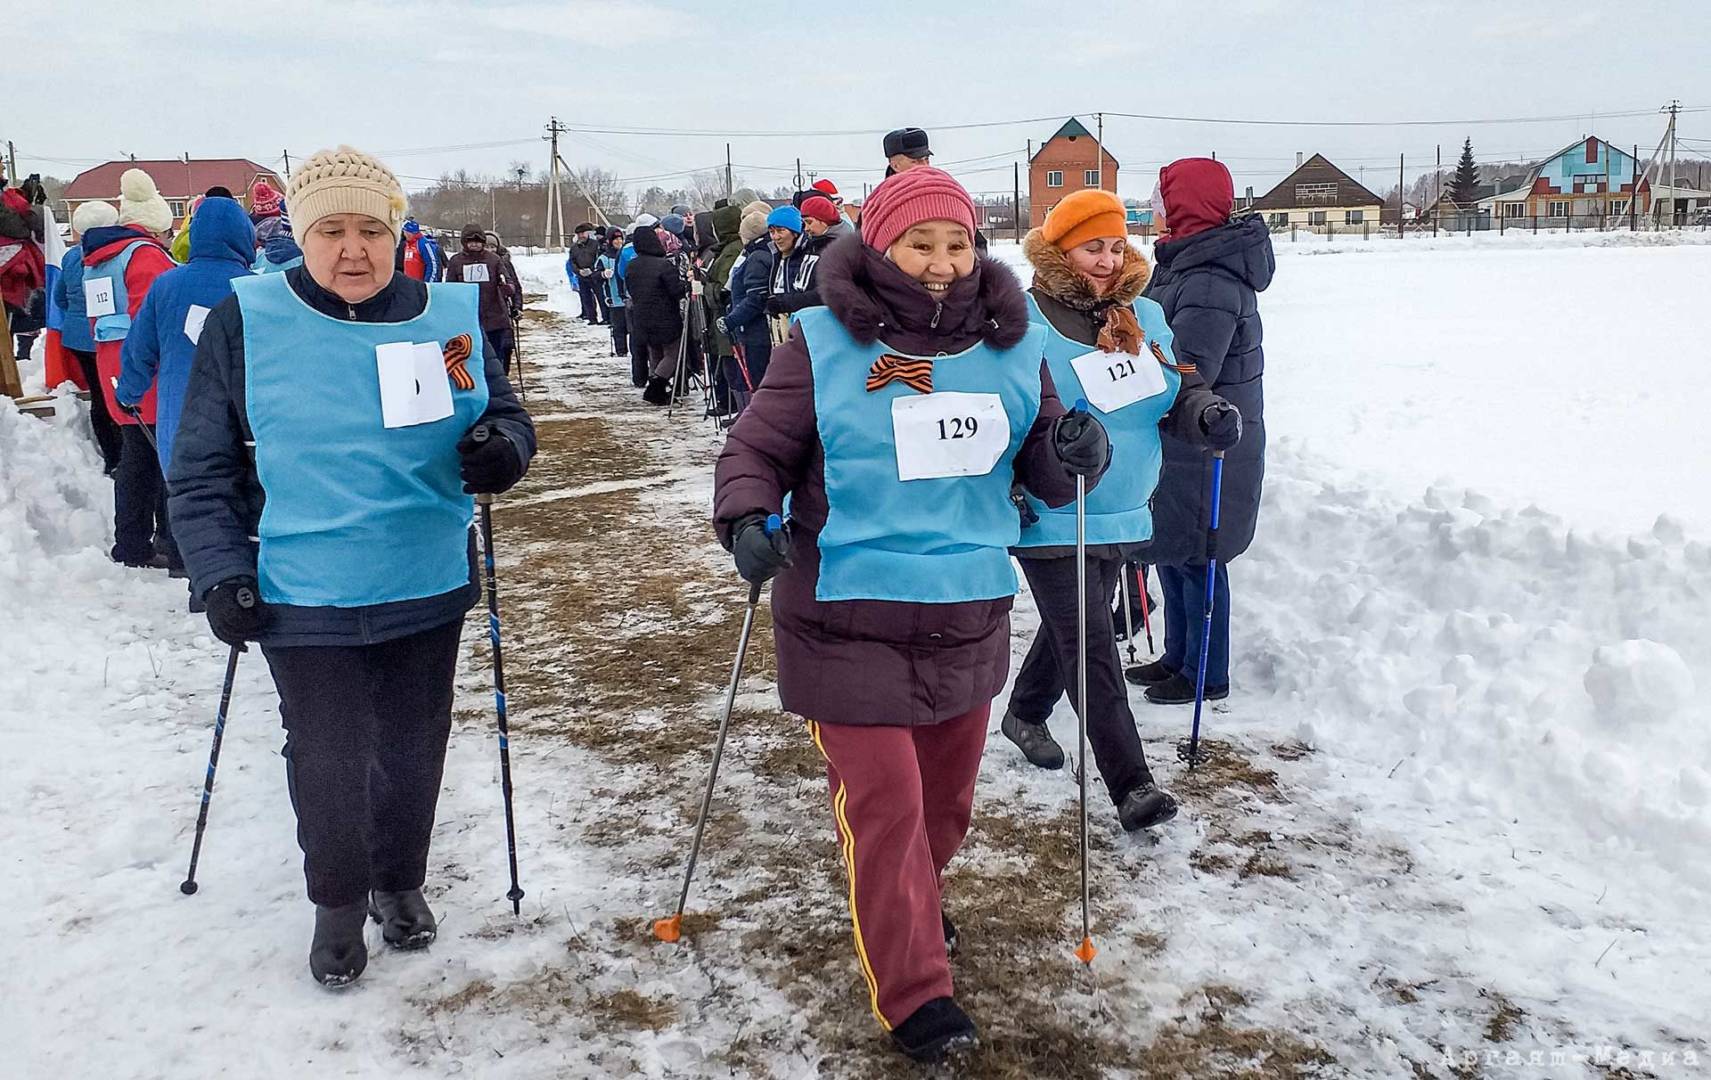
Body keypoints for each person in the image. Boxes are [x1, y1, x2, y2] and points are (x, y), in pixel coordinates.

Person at [712, 167, 1108, 1064]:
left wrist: (1076, 447)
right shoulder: (818, 340)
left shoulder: (1016, 349)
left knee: (943, 808)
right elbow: (756, 446)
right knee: (885, 806)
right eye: (918, 243)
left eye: (956, 243)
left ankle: (914, 903)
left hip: (966, 607)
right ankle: (916, 992)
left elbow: (1047, 473)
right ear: (879, 246)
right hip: (844, 612)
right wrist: (744, 515)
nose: (939, 263)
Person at [168, 145, 535, 989]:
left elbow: (504, 412)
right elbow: (202, 466)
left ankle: (398, 882)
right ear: (301, 235)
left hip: (425, 578)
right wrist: (220, 573)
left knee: (414, 746)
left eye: (371, 229)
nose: (353, 250)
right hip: (299, 590)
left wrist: (502, 450)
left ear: (398, 234)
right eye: (330, 230)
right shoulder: (246, 320)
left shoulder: (446, 315)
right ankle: (336, 903)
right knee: (328, 753)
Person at [999, 189, 1241, 830]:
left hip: (1125, 505)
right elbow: (1009, 412)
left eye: (1114, 246)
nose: (1106, 260)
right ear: (1058, 251)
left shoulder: (1147, 317)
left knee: (1074, 627)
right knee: (1092, 643)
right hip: (1051, 508)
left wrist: (1205, 414)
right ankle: (1131, 783)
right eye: (1090, 248)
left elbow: (1176, 388)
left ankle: (1024, 712)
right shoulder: (1024, 322)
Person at [1135, 159, 1273, 705]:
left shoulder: (1211, 279)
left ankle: (1206, 672)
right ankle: (1178, 657)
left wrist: (1138, 366)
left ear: (1186, 203)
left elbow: (1190, 368)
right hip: (1178, 441)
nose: (1156, 203)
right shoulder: (1181, 265)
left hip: (1210, 443)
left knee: (1201, 557)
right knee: (1172, 550)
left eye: (1164, 194)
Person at [116, 196, 255, 489]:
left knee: (190, 506)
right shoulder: (254, 289)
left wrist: (128, 394)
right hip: (241, 424)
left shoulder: (166, 285)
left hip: (179, 421)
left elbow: (139, 349)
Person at [82, 169, 180, 570]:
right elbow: (159, 317)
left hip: (112, 366)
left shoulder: (98, 260)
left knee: (136, 457)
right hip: (148, 372)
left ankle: (132, 543)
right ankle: (167, 545)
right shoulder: (145, 256)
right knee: (164, 459)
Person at [54, 199, 124, 473]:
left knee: (98, 394)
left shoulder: (71, 257)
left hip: (77, 338)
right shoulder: (115, 256)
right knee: (116, 394)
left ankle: (111, 458)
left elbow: (60, 298)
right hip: (107, 336)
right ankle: (123, 454)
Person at [719, 206, 788, 388]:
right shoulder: (772, 251)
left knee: (759, 382)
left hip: (757, 332)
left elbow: (756, 297)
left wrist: (731, 320)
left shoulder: (756, 257)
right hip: (766, 329)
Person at [623, 223, 687, 405]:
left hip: (642, 317)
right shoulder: (663, 265)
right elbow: (676, 290)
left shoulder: (631, 266)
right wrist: (687, 284)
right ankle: (655, 388)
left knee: (655, 353)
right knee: (672, 354)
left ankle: (658, 391)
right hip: (666, 317)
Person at [444, 224, 519, 374]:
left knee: (496, 356)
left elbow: (510, 283)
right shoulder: (456, 261)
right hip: (468, 318)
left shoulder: (493, 260)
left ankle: (497, 385)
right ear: (464, 242)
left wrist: (507, 288)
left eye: (478, 241)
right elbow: (450, 288)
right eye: (470, 241)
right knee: (473, 358)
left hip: (494, 317)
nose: (474, 244)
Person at [767, 196, 838, 316]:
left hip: (820, 322)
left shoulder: (835, 249)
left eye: (780, 230)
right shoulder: (811, 246)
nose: (775, 237)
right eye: (771, 232)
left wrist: (784, 303)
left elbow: (826, 293)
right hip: (801, 320)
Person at [595, 226, 628, 357]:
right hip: (614, 298)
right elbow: (595, 276)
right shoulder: (604, 258)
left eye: (620, 239)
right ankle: (621, 351)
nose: (618, 242)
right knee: (618, 327)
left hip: (628, 296)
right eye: (615, 239)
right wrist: (603, 274)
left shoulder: (626, 254)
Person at [568, 222, 606, 324]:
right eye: (579, 234)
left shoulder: (595, 244)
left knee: (601, 296)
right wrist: (578, 271)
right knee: (586, 298)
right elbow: (572, 262)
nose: (581, 236)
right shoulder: (574, 248)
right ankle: (592, 318)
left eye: (583, 233)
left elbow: (599, 258)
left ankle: (606, 317)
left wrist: (593, 270)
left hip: (594, 275)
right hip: (582, 276)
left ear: (587, 233)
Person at [396, 218, 441, 282]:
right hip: (409, 284)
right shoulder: (407, 244)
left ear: (409, 232)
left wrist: (428, 283)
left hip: (420, 284)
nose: (404, 234)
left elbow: (432, 264)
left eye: (405, 232)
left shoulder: (423, 244)